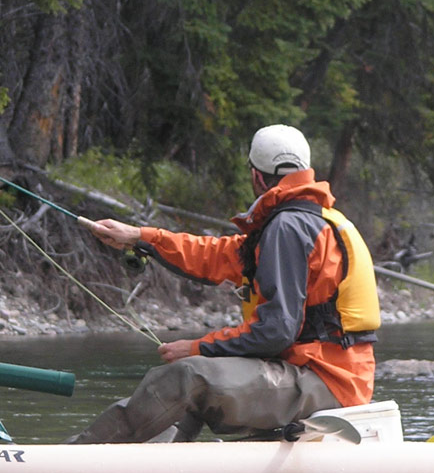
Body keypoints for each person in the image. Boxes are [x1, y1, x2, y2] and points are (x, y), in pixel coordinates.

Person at [70, 124, 381, 443]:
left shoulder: (288, 227)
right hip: (326, 376)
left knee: (187, 377)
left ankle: (77, 460)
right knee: (191, 392)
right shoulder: (306, 221)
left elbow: (275, 332)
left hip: (325, 382)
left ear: (257, 176)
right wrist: (141, 236)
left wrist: (197, 347)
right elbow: (212, 255)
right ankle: (153, 472)